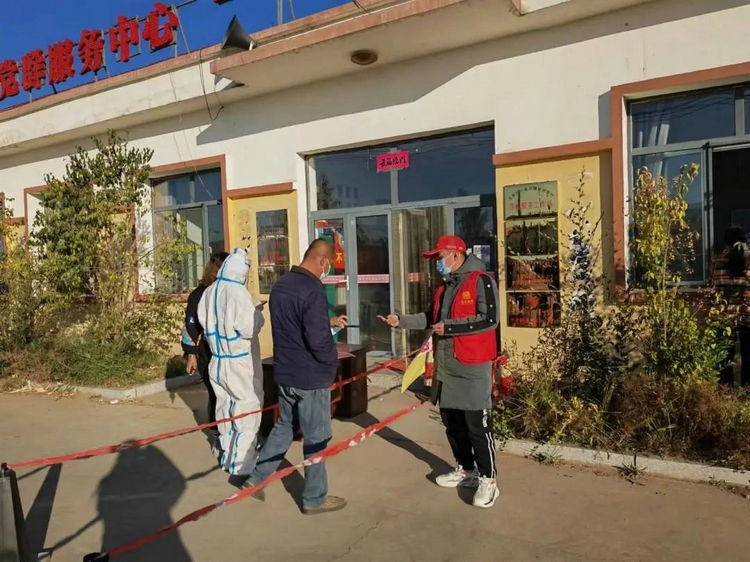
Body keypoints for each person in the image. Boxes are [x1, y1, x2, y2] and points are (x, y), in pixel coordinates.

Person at [383, 235, 501, 508]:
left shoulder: (481, 280)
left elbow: (489, 319)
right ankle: (466, 470)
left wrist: (450, 327)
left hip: (472, 366)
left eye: (439, 257)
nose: (437, 263)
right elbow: (430, 318)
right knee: (452, 423)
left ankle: (488, 480)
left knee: (476, 425)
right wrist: (401, 320)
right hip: (447, 365)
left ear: (455, 254)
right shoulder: (444, 287)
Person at [243, 239, 348, 515]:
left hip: (286, 371)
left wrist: (326, 323)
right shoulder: (312, 289)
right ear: (322, 261)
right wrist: (331, 363)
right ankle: (314, 498)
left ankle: (256, 479)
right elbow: (317, 339)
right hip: (310, 377)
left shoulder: (281, 285)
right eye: (328, 266)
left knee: (285, 426)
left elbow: (294, 324)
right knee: (317, 438)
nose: (326, 271)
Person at [197, 247, 266, 481]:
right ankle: (242, 463)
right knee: (247, 408)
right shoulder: (238, 293)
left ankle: (227, 455)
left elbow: (205, 322)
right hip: (238, 361)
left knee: (224, 408)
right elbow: (248, 328)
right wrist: (258, 314)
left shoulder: (210, 292)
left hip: (217, 360)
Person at [182, 251, 229, 451]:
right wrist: (191, 355)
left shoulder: (228, 290)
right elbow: (190, 326)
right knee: (215, 392)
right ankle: (217, 435)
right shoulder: (200, 294)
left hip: (228, 353)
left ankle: (231, 432)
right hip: (206, 352)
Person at [711, 226, 750, 386]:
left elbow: (715, 289)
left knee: (724, 360)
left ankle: (725, 393)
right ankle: (746, 393)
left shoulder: (717, 261)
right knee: (748, 359)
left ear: (727, 242)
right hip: (747, 315)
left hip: (724, 316)